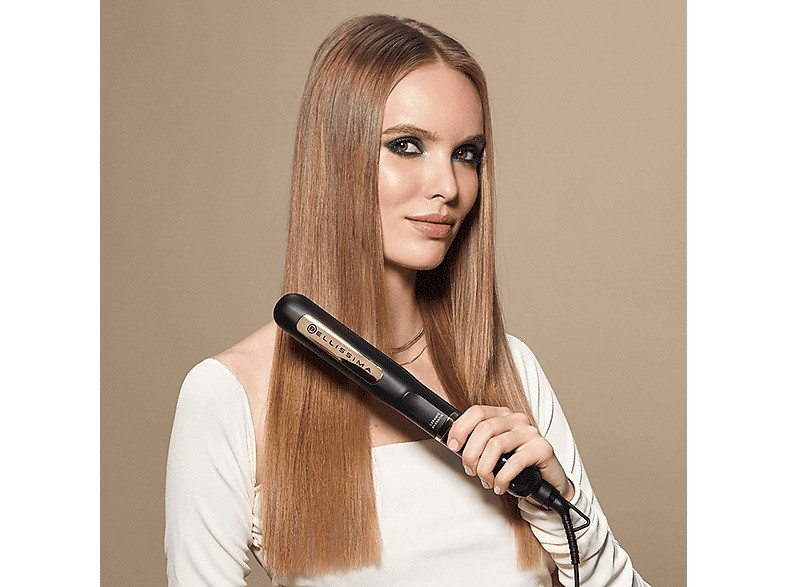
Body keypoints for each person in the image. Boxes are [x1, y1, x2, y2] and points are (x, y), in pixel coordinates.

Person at [165, 14, 650, 587]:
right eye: (406, 146)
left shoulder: (509, 370)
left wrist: (559, 505)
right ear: (336, 157)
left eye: (466, 154)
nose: (448, 187)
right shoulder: (230, 396)